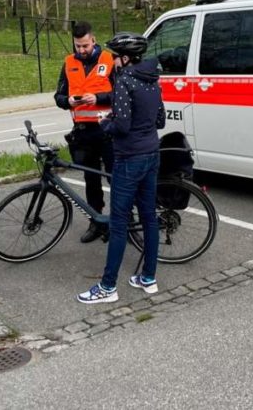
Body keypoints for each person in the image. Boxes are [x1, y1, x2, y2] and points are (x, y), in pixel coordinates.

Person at [77, 32, 166, 304]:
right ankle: (148, 278)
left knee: (118, 224)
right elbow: (160, 120)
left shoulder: (125, 81)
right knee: (149, 217)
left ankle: (107, 287)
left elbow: (122, 126)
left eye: (115, 57)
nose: (113, 62)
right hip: (152, 153)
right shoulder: (153, 80)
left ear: (125, 59)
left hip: (129, 158)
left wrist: (106, 122)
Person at [54, 21, 114, 243]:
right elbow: (58, 96)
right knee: (91, 179)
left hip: (108, 130)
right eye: (78, 46)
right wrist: (67, 101)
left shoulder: (108, 60)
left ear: (93, 40)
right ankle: (96, 221)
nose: (81, 50)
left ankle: (122, 221)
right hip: (83, 131)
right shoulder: (69, 63)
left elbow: (120, 94)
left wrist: (98, 98)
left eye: (85, 46)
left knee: (115, 177)